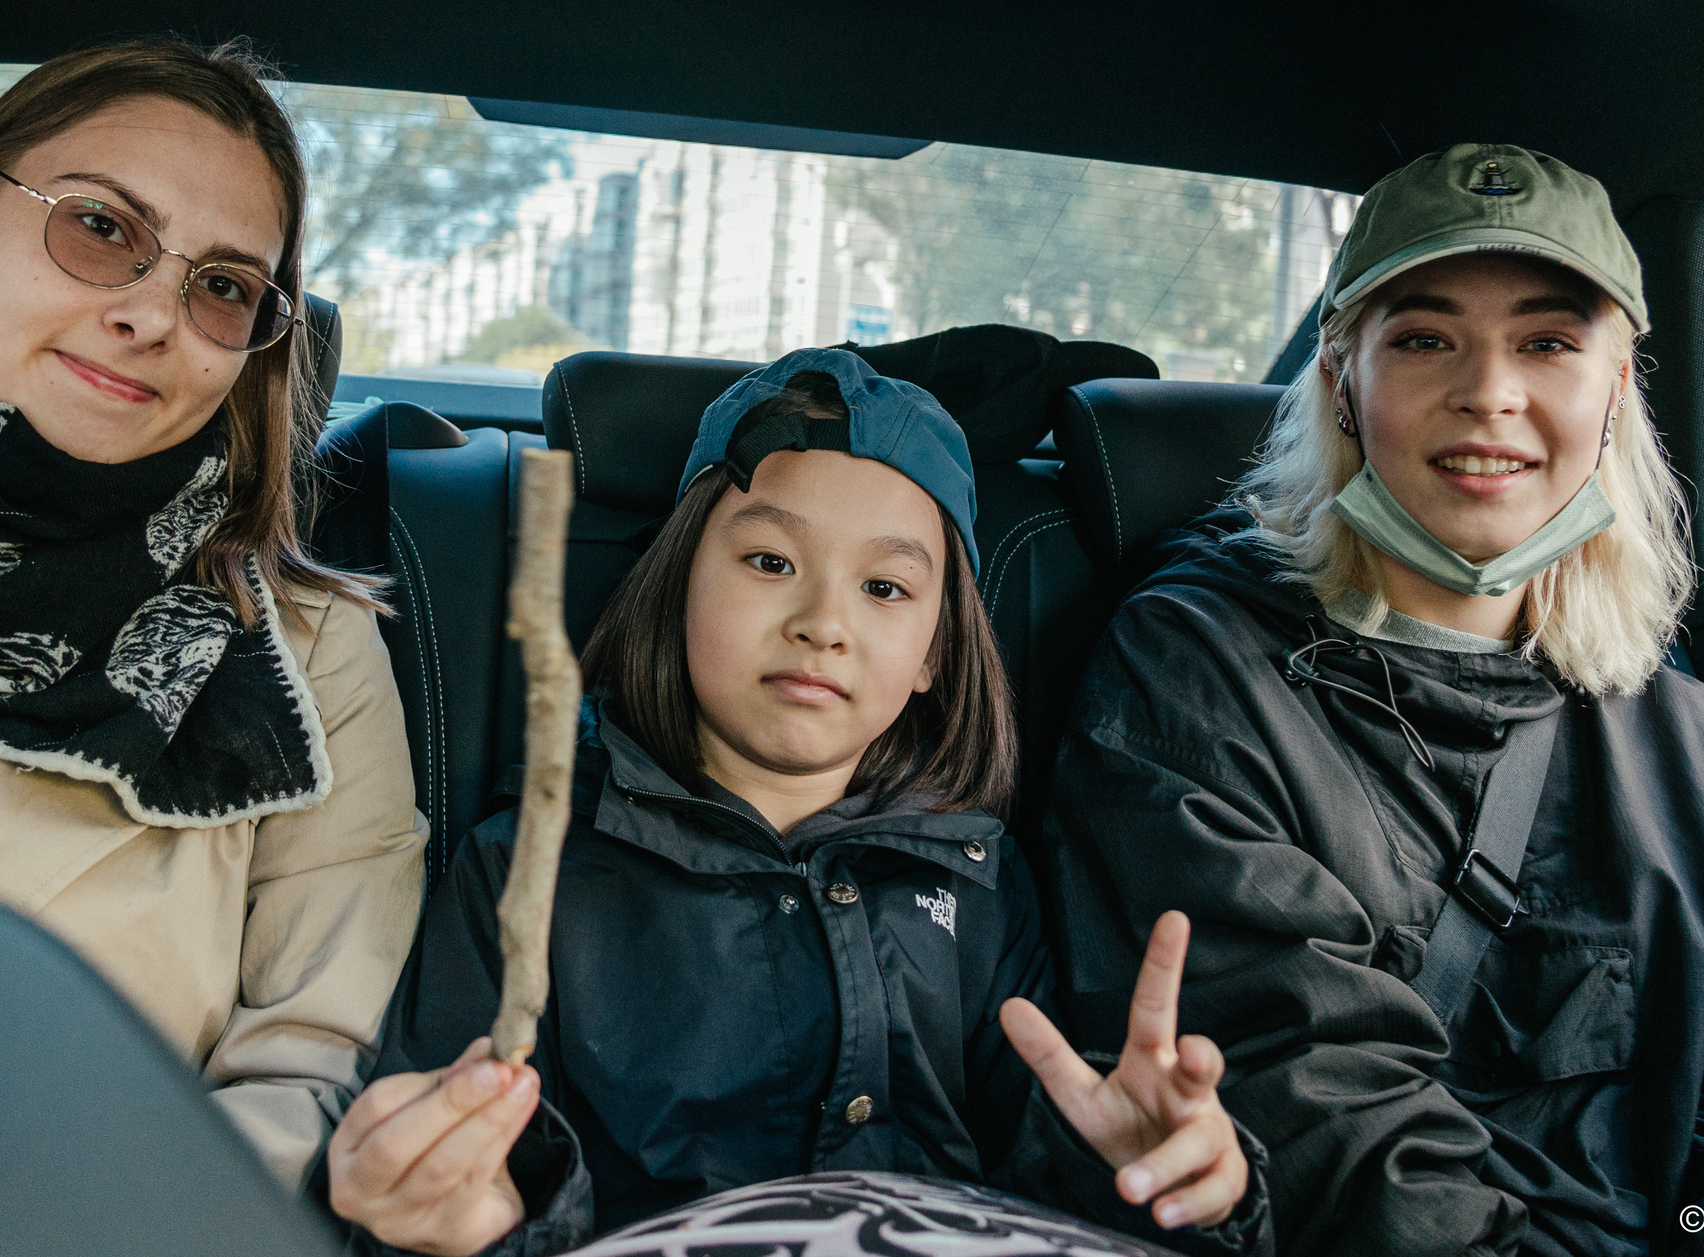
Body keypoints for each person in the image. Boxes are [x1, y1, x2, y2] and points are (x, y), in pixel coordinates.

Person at [1043, 144, 1704, 1256]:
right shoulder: (1194, 670)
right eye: (1422, 340)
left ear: (1614, 388)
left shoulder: (1682, 734)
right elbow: (1318, 1115)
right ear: (1340, 378)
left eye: (1548, 342)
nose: (1489, 393)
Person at [323, 350, 1263, 1256]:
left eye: (885, 587)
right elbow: (449, 1171)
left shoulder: (978, 883)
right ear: (676, 583)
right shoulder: (528, 869)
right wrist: (466, 1215)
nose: (823, 622)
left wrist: (1151, 1179)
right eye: (771, 563)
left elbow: (1040, 1173)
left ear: (936, 653)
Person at [0, 39, 427, 1187]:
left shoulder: (314, 649)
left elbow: (312, 1061)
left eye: (224, 286)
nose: (153, 313)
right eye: (101, 227)